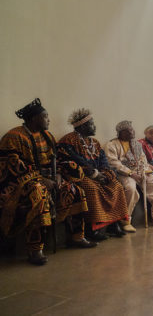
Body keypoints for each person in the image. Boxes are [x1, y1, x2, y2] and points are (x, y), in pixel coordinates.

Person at [0, 99, 96, 265]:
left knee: (75, 190)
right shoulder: (14, 137)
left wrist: (58, 176)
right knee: (39, 194)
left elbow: (56, 160)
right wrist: (41, 180)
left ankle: (76, 237)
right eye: (45, 116)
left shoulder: (48, 136)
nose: (49, 120)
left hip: (47, 180)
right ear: (33, 119)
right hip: (19, 185)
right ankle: (35, 249)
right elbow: (12, 168)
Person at [58, 109, 129, 239]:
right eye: (92, 123)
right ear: (83, 126)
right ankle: (92, 230)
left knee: (116, 186)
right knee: (92, 189)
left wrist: (105, 173)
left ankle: (114, 224)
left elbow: (103, 160)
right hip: (80, 175)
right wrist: (95, 175)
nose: (94, 126)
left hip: (98, 174)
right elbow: (74, 161)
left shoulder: (94, 142)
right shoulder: (67, 140)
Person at [104, 121, 153, 230]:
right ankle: (126, 221)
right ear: (121, 133)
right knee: (131, 189)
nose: (132, 132)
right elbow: (113, 163)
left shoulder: (136, 144)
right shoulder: (111, 145)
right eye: (129, 131)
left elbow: (143, 160)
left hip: (140, 171)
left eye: (132, 129)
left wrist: (144, 171)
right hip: (124, 173)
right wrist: (131, 173)